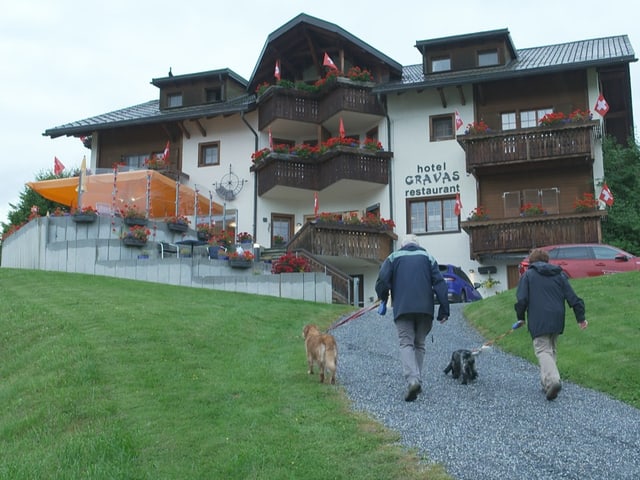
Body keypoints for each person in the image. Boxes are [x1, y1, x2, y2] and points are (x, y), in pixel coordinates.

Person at [375, 234, 450, 402]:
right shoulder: (428, 257)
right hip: (425, 310)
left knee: (406, 342)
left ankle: (413, 380)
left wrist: (382, 298)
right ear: (417, 245)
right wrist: (444, 309)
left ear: (403, 245)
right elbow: (440, 283)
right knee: (420, 344)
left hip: (403, 308)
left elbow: (382, 280)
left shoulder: (394, 257)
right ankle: (417, 379)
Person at [515, 248, 588, 401]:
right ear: (547, 260)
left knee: (542, 350)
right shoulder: (559, 274)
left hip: (539, 318)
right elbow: (572, 297)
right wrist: (580, 317)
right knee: (551, 349)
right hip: (557, 317)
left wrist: (520, 317)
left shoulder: (528, 275)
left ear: (532, 262)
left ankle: (554, 380)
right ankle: (547, 384)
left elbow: (521, 299)